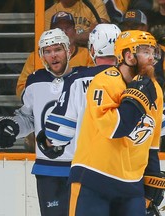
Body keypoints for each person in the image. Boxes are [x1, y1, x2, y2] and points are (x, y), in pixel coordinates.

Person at [66, 30, 162, 215]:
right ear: (129, 56)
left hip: (131, 186)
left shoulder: (155, 89)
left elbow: (152, 141)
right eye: (145, 52)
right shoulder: (104, 81)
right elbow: (114, 128)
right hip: (93, 180)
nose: (152, 58)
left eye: (153, 52)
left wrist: (152, 180)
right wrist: (136, 99)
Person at [0, 28, 74, 216]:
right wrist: (13, 127)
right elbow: (29, 118)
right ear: (41, 55)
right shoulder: (35, 81)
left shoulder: (83, 80)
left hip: (80, 167)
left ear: (68, 50)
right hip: (48, 168)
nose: (53, 55)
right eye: (47, 51)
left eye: (58, 49)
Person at [38, 23, 121, 151]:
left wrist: (46, 140)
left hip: (87, 164)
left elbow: (59, 134)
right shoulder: (134, 80)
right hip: (125, 166)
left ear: (92, 49)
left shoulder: (76, 80)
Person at [16, 11, 94, 98]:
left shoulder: (88, 54)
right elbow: (21, 89)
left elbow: (94, 85)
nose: (64, 32)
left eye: (68, 28)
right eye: (59, 29)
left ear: (75, 31)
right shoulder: (35, 57)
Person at [45, 0, 110, 47]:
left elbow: (102, 32)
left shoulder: (95, 3)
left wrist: (72, 38)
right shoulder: (48, 14)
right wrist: (84, 35)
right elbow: (50, 43)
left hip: (91, 55)